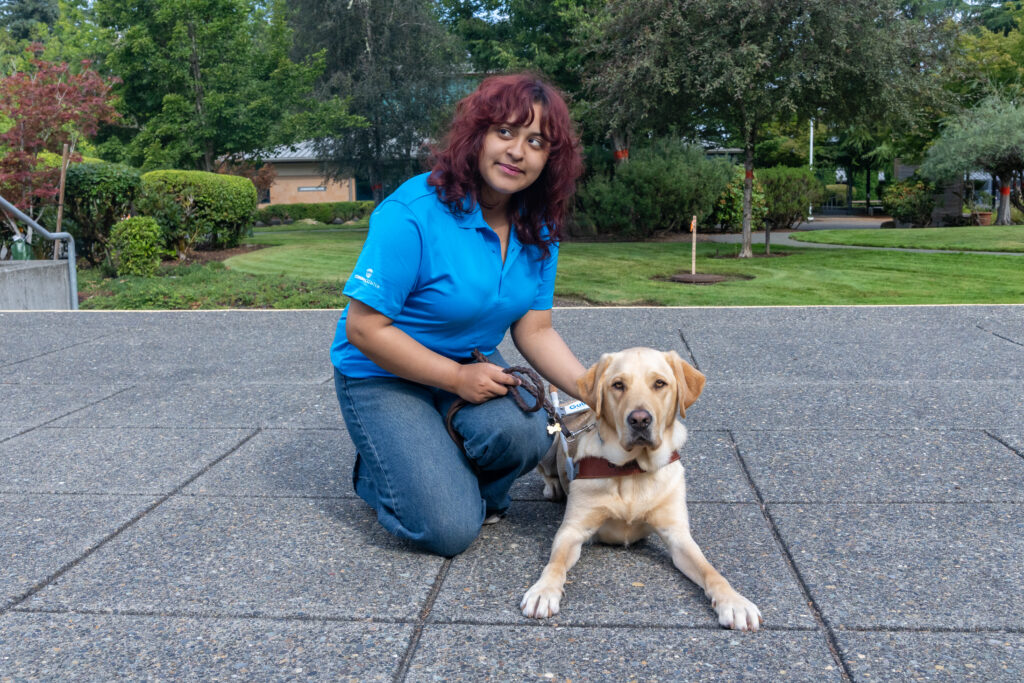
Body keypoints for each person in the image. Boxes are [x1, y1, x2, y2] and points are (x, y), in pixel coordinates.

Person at [331, 73, 586, 557]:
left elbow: (535, 329)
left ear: (550, 158)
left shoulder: (539, 225)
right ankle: (382, 471)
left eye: (536, 141)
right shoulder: (412, 211)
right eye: (505, 132)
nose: (517, 151)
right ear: (478, 136)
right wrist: (454, 378)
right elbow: (364, 328)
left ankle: (436, 464)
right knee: (449, 530)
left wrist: (595, 388)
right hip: (380, 372)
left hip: (468, 361)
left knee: (529, 432)